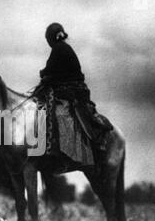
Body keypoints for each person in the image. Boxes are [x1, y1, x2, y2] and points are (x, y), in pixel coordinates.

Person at [35, 22, 113, 156]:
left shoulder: (58, 49)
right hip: (72, 87)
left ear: (50, 38)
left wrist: (43, 74)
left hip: (71, 89)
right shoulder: (63, 48)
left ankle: (55, 145)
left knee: (54, 111)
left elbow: (50, 70)